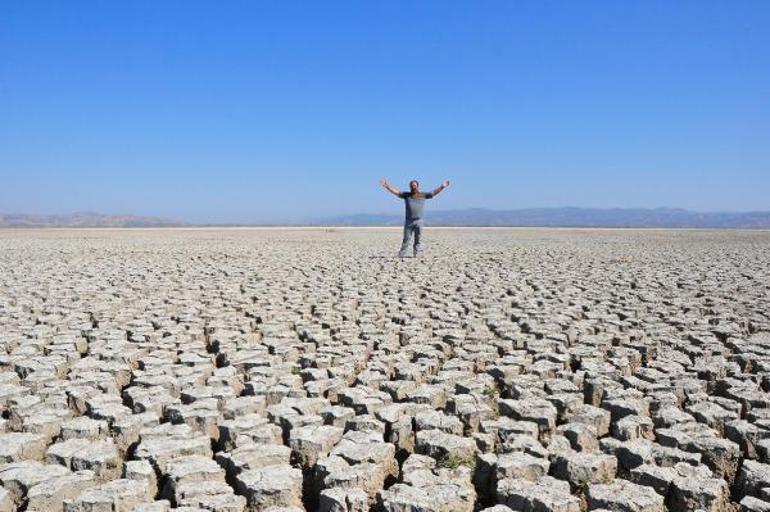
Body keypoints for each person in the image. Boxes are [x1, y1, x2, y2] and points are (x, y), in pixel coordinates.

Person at [379, 178, 450, 257]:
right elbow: (396, 192)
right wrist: (387, 186)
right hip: (409, 221)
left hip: (419, 221)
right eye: (412, 185)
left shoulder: (423, 195)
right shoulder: (406, 195)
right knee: (406, 239)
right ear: (410, 187)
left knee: (418, 239)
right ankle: (402, 254)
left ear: (418, 186)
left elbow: (433, 193)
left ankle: (416, 254)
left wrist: (442, 187)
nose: (413, 187)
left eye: (414, 185)